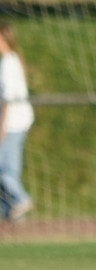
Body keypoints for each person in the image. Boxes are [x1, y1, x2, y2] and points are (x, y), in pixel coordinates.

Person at [0, 22, 34, 222]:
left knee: (5, 169)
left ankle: (21, 199)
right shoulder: (10, 60)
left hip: (13, 123)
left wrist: (2, 125)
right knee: (9, 168)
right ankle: (11, 214)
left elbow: (8, 98)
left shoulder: (9, 63)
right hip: (17, 122)